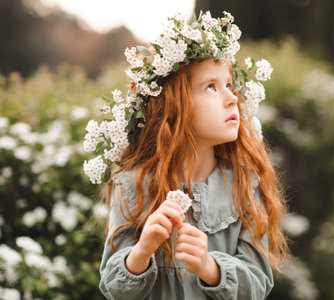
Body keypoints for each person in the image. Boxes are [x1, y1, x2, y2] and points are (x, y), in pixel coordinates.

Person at [83, 11, 289, 300]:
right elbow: (114, 288)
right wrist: (142, 251)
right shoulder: (133, 185)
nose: (232, 98)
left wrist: (209, 266)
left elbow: (258, 282)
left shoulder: (245, 184)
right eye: (211, 87)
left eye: (229, 85)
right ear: (174, 107)